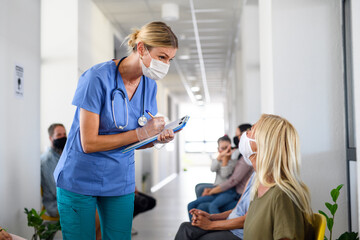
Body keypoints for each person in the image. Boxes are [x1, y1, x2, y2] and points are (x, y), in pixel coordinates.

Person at [53, 21, 178, 240]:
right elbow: (89, 143)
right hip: (80, 176)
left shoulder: (150, 86)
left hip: (119, 179)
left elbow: (139, 139)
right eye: (162, 57)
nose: (166, 65)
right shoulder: (96, 78)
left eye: (170, 59)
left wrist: (157, 139)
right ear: (141, 48)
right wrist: (141, 134)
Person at [242, 114, 314, 239]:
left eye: (251, 130)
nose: (245, 135)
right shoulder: (258, 186)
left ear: (265, 144)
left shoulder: (281, 195)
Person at [175, 172, 255, 240]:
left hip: (239, 233)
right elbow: (236, 209)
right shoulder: (253, 176)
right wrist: (211, 217)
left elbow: (246, 220)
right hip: (230, 225)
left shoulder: (263, 182)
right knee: (185, 227)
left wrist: (210, 225)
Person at [41, 123, 67, 218]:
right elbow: (56, 189)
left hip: (66, 200)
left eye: (64, 134)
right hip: (55, 205)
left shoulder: (62, 156)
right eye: (59, 135)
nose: (63, 137)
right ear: (51, 138)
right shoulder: (47, 160)